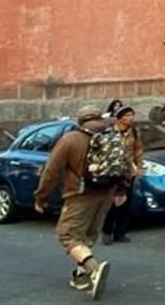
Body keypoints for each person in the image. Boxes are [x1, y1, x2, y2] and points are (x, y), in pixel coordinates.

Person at [34, 106, 114, 299]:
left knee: (68, 235)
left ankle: (93, 269)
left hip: (80, 195)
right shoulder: (112, 137)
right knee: (87, 236)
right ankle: (80, 276)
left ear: (81, 120)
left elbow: (51, 171)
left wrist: (41, 197)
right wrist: (120, 190)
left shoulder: (70, 139)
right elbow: (125, 166)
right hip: (106, 194)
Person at [102, 106, 143, 245]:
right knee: (113, 203)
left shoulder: (133, 132)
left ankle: (120, 232)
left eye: (132, 114)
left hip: (128, 172)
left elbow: (138, 150)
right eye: (128, 115)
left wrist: (139, 167)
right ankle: (107, 231)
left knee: (126, 203)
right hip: (113, 172)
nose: (131, 118)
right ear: (120, 118)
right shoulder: (109, 133)